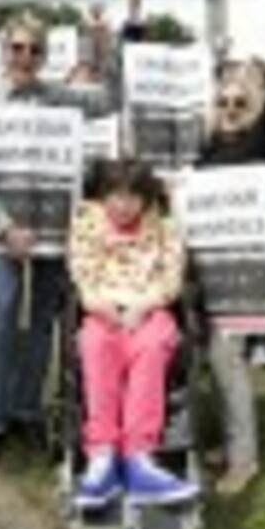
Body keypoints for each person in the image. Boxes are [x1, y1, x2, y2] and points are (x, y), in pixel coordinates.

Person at [0, 12, 116, 469]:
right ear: (3, 51)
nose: (25, 57)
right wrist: (4, 228)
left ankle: (27, 410)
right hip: (3, 240)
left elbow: (111, 99)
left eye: (34, 50)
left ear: (45, 56)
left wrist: (104, 48)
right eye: (17, 48)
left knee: (42, 329)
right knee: (0, 326)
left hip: (53, 235)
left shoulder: (61, 99)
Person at [68, 159, 194, 507]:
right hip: (103, 309)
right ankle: (103, 454)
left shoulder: (164, 227)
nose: (123, 205)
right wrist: (100, 305)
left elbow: (171, 278)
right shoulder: (87, 223)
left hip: (148, 308)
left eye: (132, 197)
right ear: (104, 195)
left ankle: (139, 455)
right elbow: (83, 274)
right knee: (94, 344)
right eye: (116, 196)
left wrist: (145, 305)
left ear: (146, 198)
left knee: (154, 344)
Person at [194, 56, 265, 496]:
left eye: (240, 103)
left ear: (253, 109)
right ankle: (231, 442)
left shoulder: (262, 146)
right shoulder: (207, 151)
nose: (230, 109)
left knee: (227, 360)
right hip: (207, 272)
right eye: (223, 102)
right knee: (216, 361)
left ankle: (244, 459)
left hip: (244, 273)